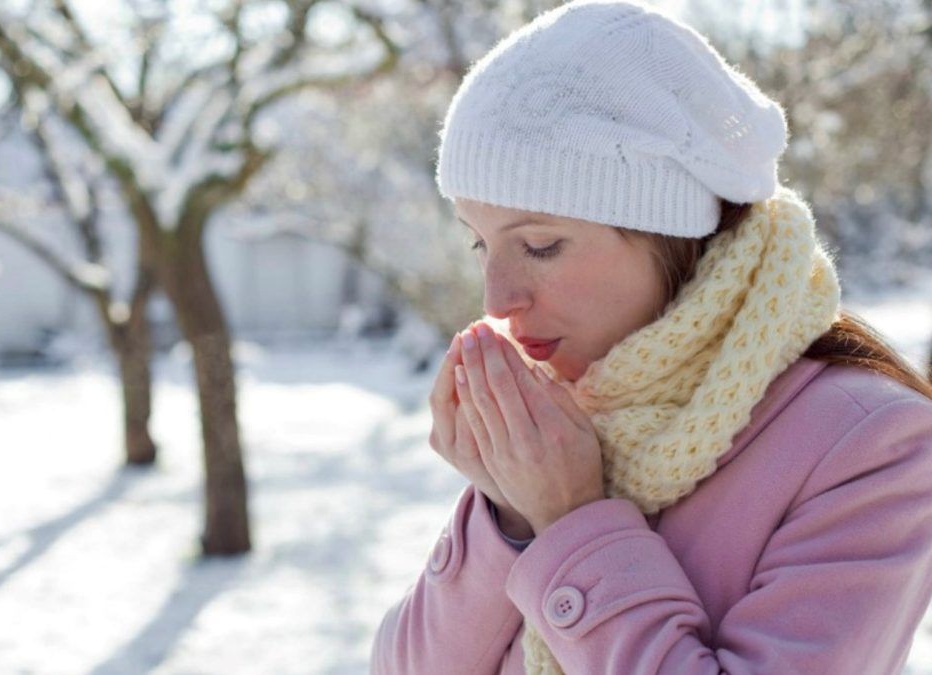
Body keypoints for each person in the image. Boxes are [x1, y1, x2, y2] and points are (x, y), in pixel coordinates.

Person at [370, 1, 932, 673]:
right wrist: (507, 515)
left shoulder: (870, 443)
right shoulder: (573, 412)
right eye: (479, 243)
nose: (496, 299)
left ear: (670, 234)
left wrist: (572, 521)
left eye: (541, 245)